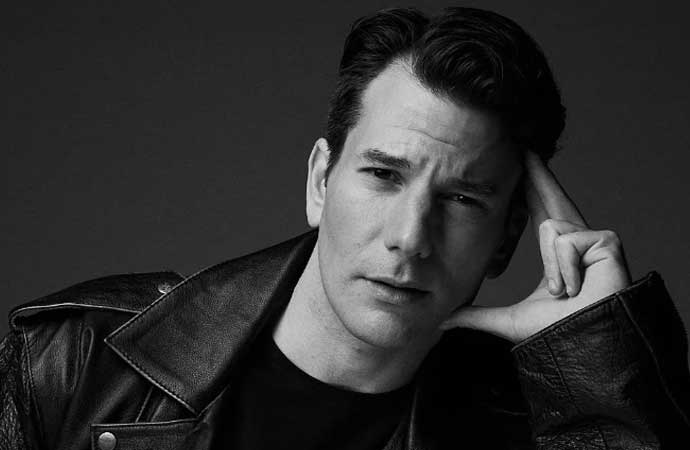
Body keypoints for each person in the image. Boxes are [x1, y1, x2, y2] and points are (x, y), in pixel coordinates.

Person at [2, 6, 689, 450]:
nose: (409, 237)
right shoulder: (74, 364)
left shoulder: (528, 426)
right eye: (384, 174)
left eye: (462, 199)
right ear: (320, 181)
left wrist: (595, 360)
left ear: (506, 240)